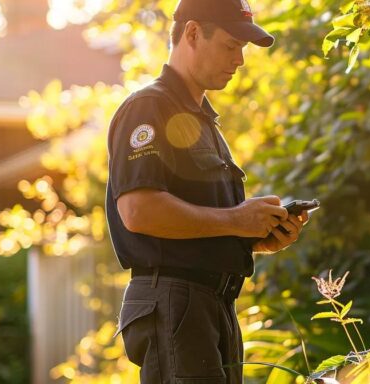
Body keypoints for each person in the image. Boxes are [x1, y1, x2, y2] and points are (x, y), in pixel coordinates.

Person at [104, 0, 309, 382]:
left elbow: (202, 225)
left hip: (210, 305)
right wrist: (236, 219)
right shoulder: (148, 109)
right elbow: (138, 211)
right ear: (193, 33)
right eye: (232, 46)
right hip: (176, 303)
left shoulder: (205, 122)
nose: (240, 61)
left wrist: (253, 236)